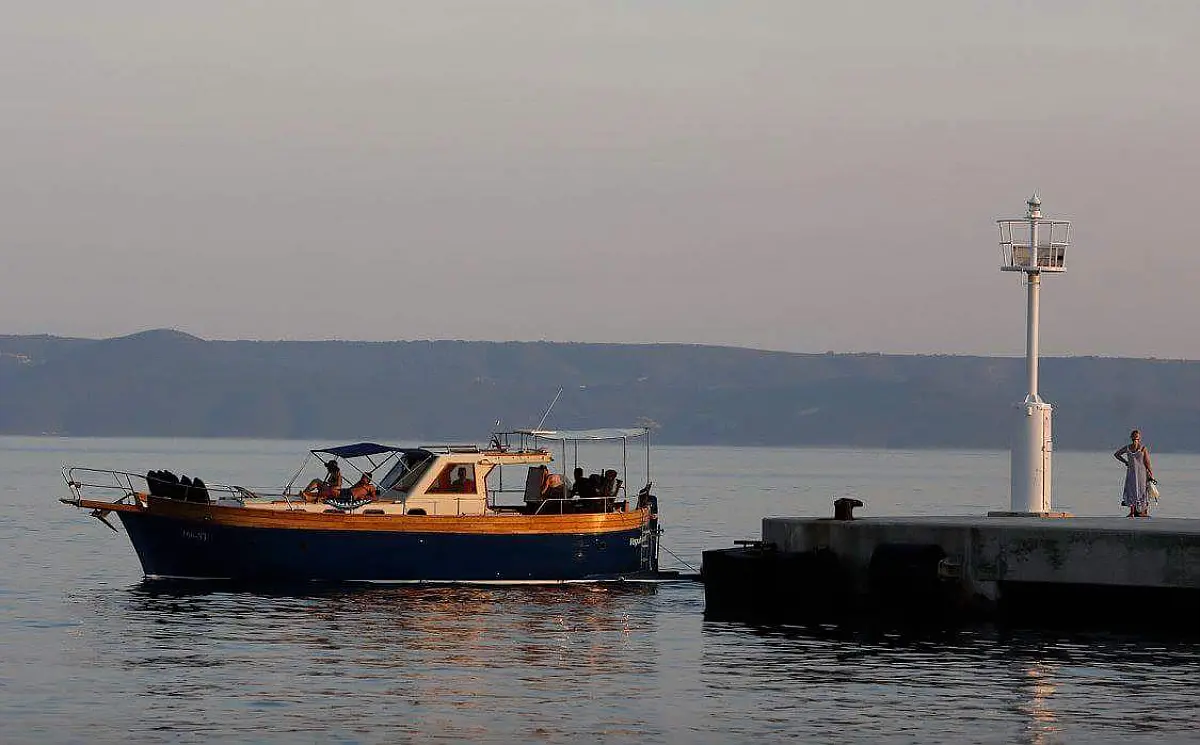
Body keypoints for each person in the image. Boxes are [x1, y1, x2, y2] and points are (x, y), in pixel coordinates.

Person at [1114, 429, 1155, 517]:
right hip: (1141, 473)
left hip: (1132, 472)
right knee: (1142, 491)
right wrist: (1151, 474)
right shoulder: (1143, 448)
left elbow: (1117, 454)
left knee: (1132, 490)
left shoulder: (1128, 448)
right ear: (1139, 438)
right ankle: (1143, 512)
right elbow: (1147, 462)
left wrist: (1126, 462)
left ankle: (1133, 512)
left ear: (1131, 437)